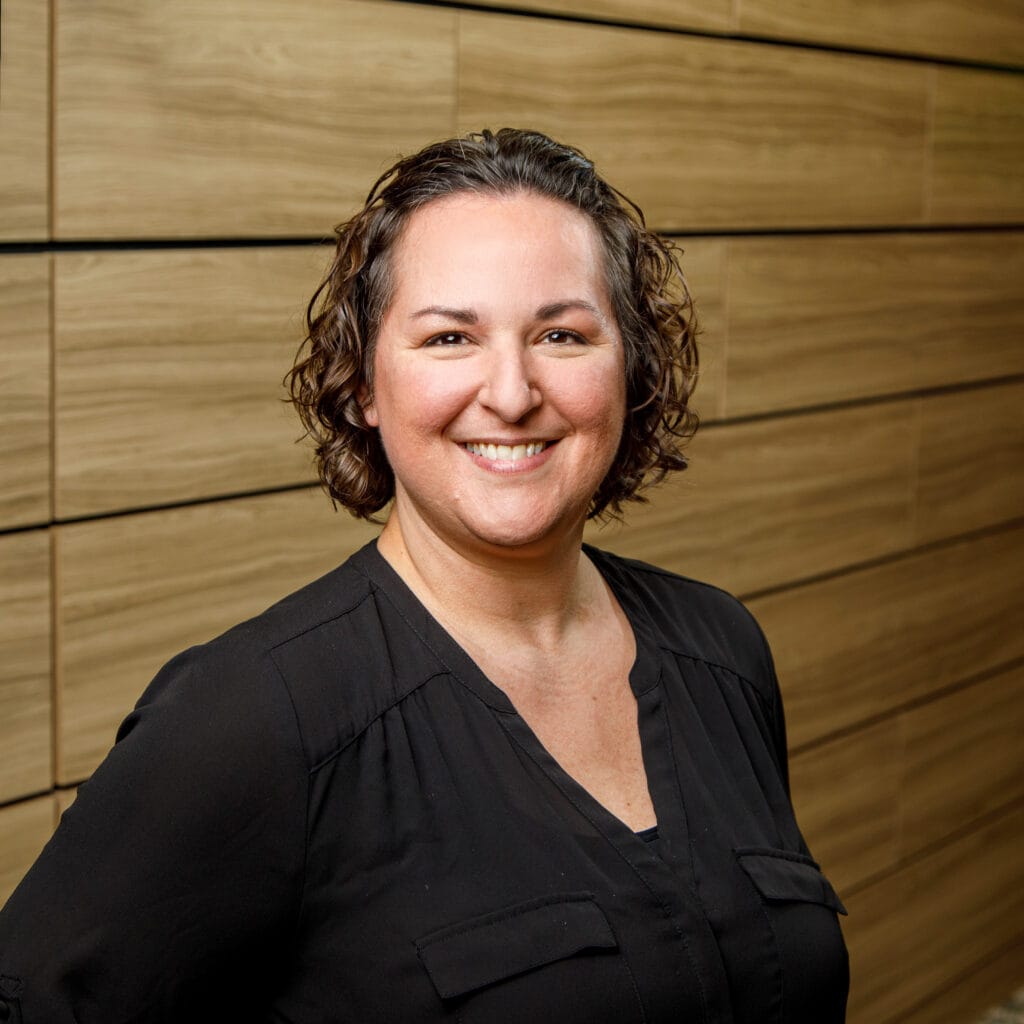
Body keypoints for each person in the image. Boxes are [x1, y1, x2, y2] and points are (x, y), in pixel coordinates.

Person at [0, 128, 848, 1022]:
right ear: (364, 382)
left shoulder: (722, 649)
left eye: (562, 334)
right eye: (450, 338)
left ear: (628, 365)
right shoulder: (253, 717)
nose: (512, 393)